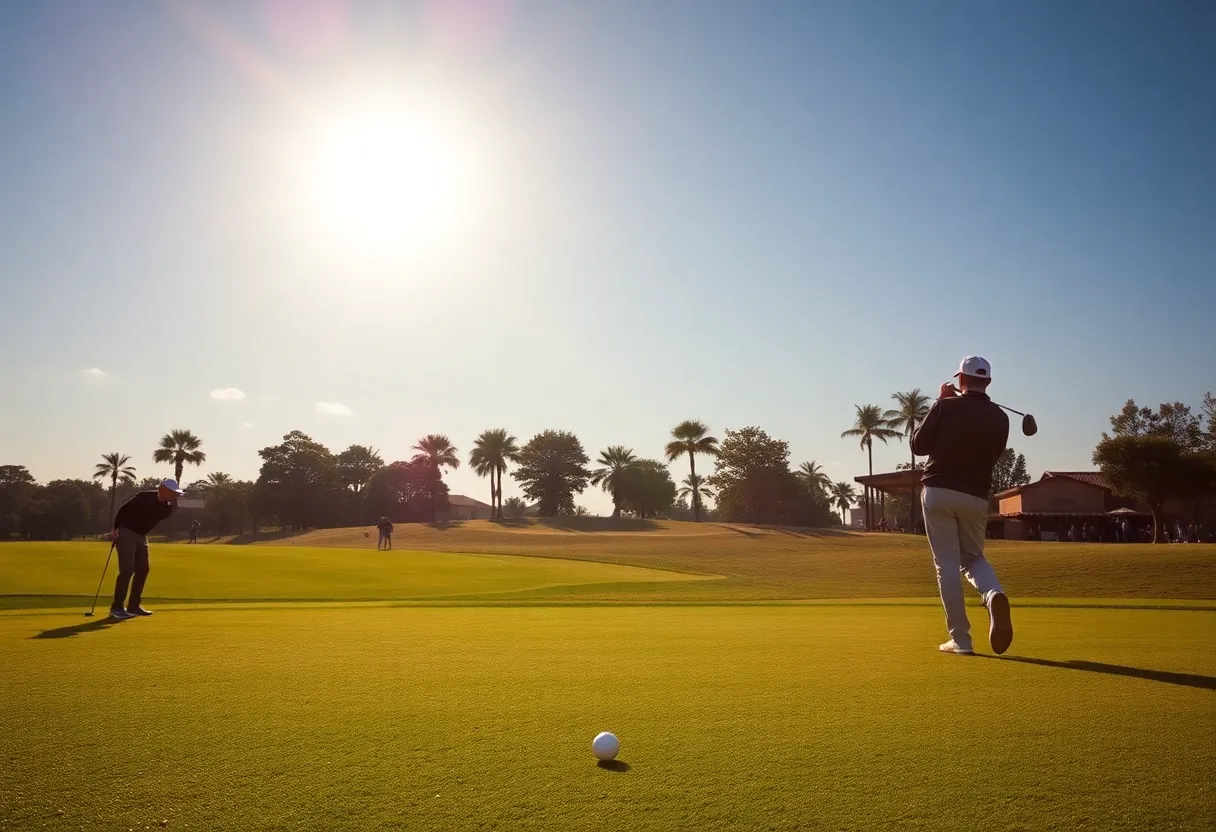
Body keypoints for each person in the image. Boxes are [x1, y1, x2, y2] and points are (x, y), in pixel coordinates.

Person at [910, 355, 1013, 656]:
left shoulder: (944, 406)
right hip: (975, 495)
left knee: (947, 565)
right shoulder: (1001, 417)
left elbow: (918, 446)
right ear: (988, 382)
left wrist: (938, 404)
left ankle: (962, 640)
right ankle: (993, 594)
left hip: (939, 491)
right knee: (973, 558)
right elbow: (994, 455)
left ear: (960, 380)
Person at [109, 478, 182, 619]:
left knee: (143, 569)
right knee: (127, 570)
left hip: (141, 536)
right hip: (126, 532)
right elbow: (124, 510)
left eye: (175, 493)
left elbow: (157, 513)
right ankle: (117, 607)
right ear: (162, 488)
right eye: (172, 492)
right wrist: (116, 528)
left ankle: (134, 605)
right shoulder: (144, 496)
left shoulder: (167, 507)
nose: (174, 495)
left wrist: (168, 500)